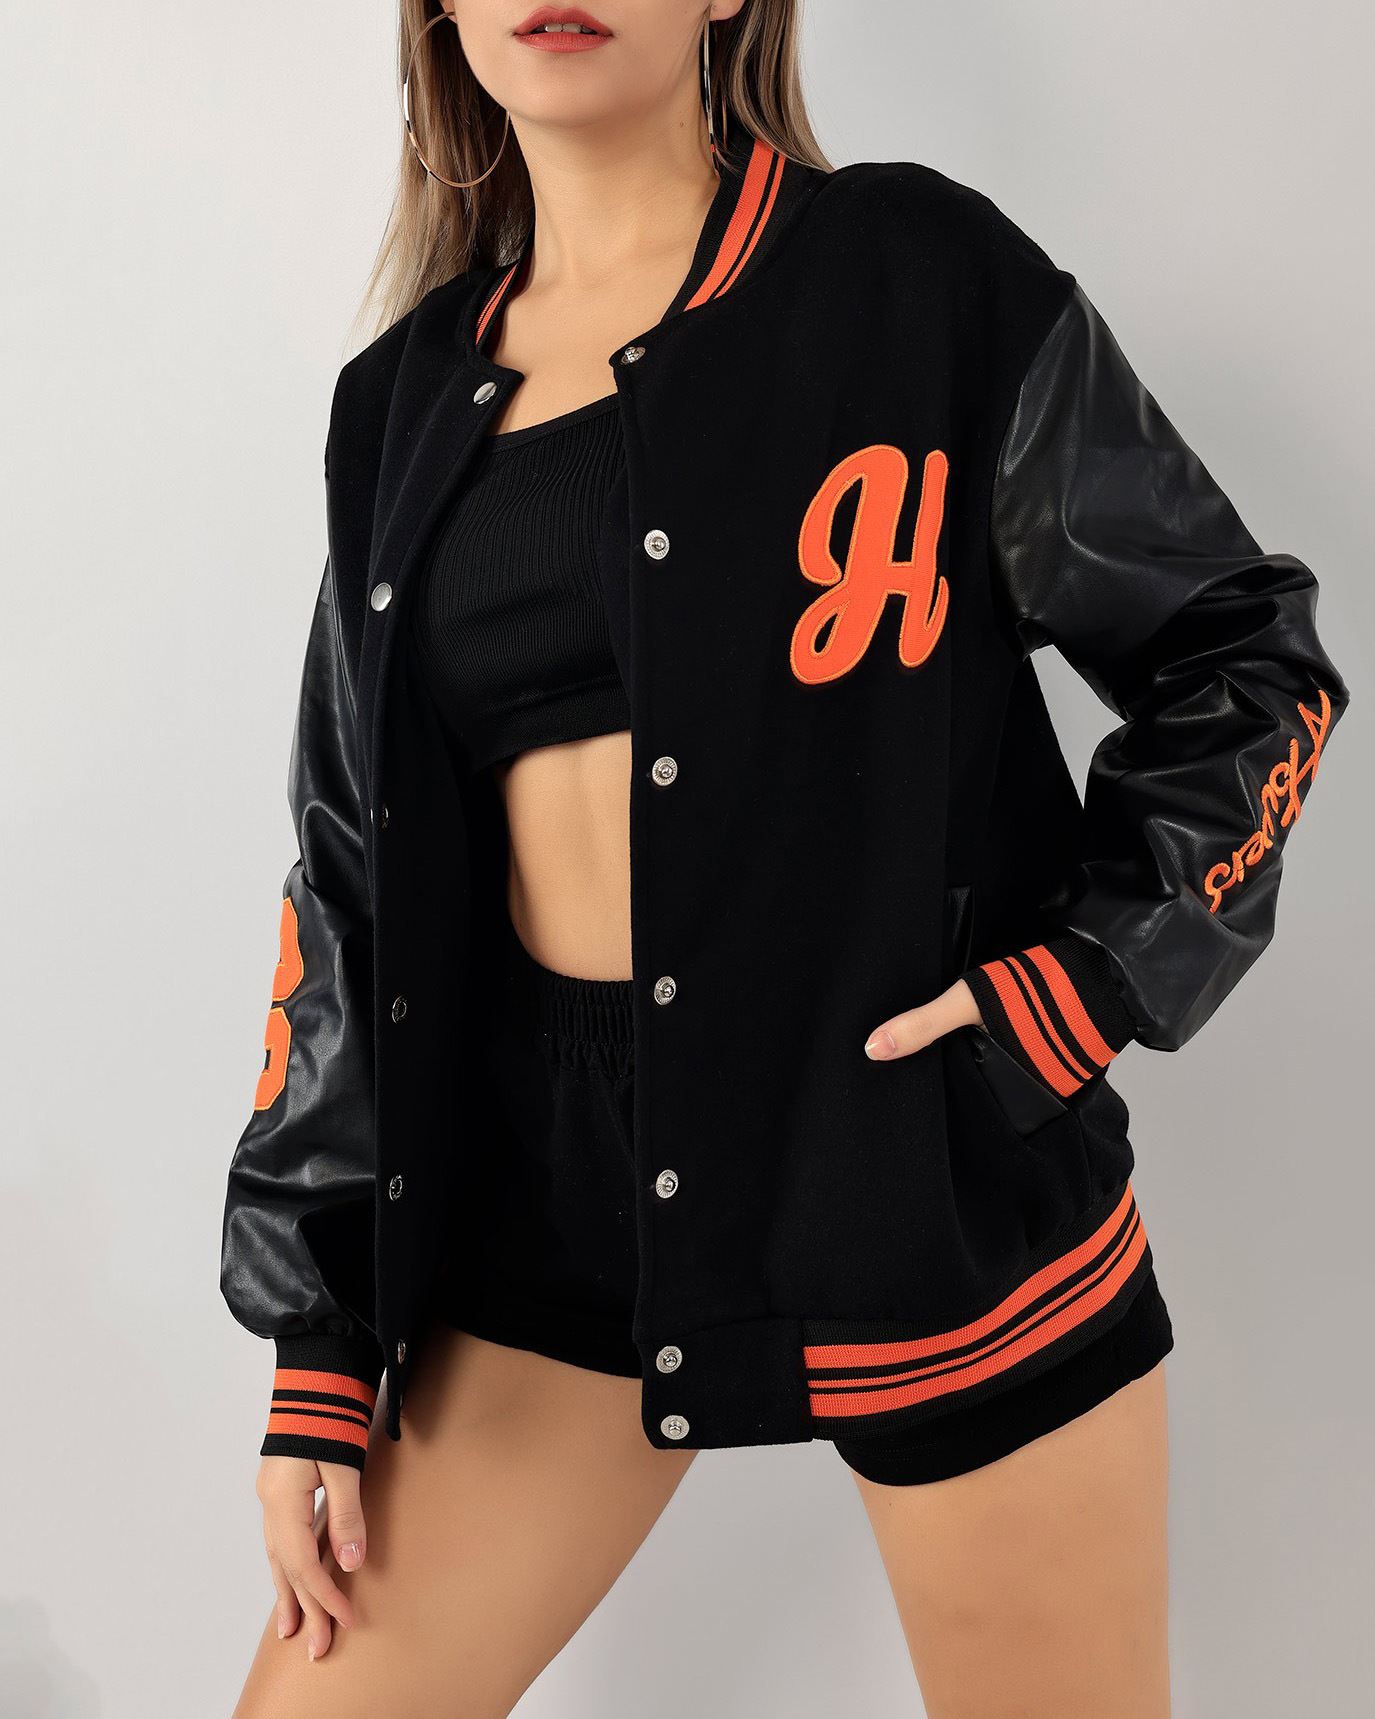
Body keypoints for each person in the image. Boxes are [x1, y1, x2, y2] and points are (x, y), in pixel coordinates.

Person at [220, 3, 1349, 1714]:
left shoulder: (914, 277)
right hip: (548, 1204)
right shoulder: (398, 407)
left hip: (913, 1173)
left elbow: (1242, 658)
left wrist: (1078, 989)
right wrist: (321, 1334)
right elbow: (349, 882)